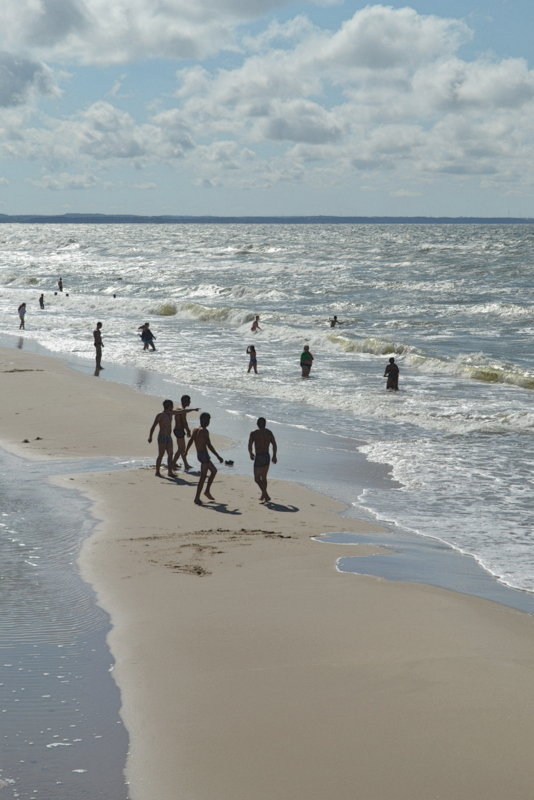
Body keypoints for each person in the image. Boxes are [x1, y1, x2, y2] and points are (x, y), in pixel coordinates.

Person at [185, 412, 223, 505]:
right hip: (204, 455)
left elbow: (190, 441)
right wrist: (218, 456)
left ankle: (206, 491)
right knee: (202, 477)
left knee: (213, 471)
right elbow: (209, 445)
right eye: (208, 420)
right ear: (204, 420)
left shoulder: (195, 429)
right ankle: (197, 498)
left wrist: (186, 451)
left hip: (200, 455)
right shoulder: (204, 431)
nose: (209, 422)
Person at [248, 417, 277, 503]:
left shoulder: (254, 433)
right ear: (265, 424)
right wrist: (274, 455)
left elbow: (249, 445)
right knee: (264, 478)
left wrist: (251, 453)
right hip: (267, 456)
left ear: (257, 424)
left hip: (259, 457)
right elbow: (274, 444)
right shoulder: (269, 433)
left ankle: (266, 494)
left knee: (257, 479)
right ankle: (263, 495)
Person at [148, 400, 177, 478]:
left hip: (169, 437)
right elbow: (153, 426)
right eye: (172, 406)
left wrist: (192, 410)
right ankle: (157, 472)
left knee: (170, 454)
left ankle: (170, 472)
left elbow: (182, 411)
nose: (173, 407)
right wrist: (150, 436)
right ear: (169, 406)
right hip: (162, 437)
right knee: (161, 455)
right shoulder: (161, 415)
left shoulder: (171, 413)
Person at [172, 395, 199, 472]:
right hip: (179, 430)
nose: (190, 402)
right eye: (189, 400)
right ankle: (173, 463)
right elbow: (184, 422)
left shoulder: (180, 408)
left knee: (182, 449)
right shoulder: (181, 409)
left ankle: (186, 465)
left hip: (179, 430)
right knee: (181, 449)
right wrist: (188, 431)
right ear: (185, 401)